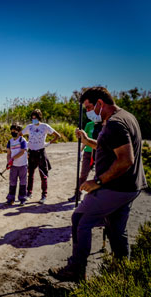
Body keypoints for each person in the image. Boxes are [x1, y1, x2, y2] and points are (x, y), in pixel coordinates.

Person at [49, 86, 147, 282]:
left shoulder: (115, 124)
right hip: (130, 187)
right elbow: (109, 146)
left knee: (80, 219)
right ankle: (122, 273)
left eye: (88, 107)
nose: (87, 112)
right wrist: (87, 140)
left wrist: (98, 181)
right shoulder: (126, 117)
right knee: (116, 229)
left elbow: (125, 160)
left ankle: (76, 269)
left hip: (115, 187)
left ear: (100, 104)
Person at [22, 109, 61, 204]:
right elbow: (20, 135)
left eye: (35, 118)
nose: (33, 120)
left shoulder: (45, 127)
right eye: (32, 118)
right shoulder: (29, 127)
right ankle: (29, 193)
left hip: (41, 152)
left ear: (39, 118)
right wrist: (25, 144)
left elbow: (57, 135)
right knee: (30, 174)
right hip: (31, 152)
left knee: (43, 174)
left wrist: (48, 143)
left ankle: (44, 195)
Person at [5, 123, 28, 206]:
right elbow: (8, 153)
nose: (13, 132)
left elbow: (22, 151)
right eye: (12, 131)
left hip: (23, 165)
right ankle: (10, 199)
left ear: (19, 131)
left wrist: (13, 158)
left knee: (23, 182)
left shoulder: (22, 140)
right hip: (13, 166)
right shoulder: (10, 142)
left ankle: (22, 199)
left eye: (15, 131)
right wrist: (9, 162)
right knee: (12, 182)